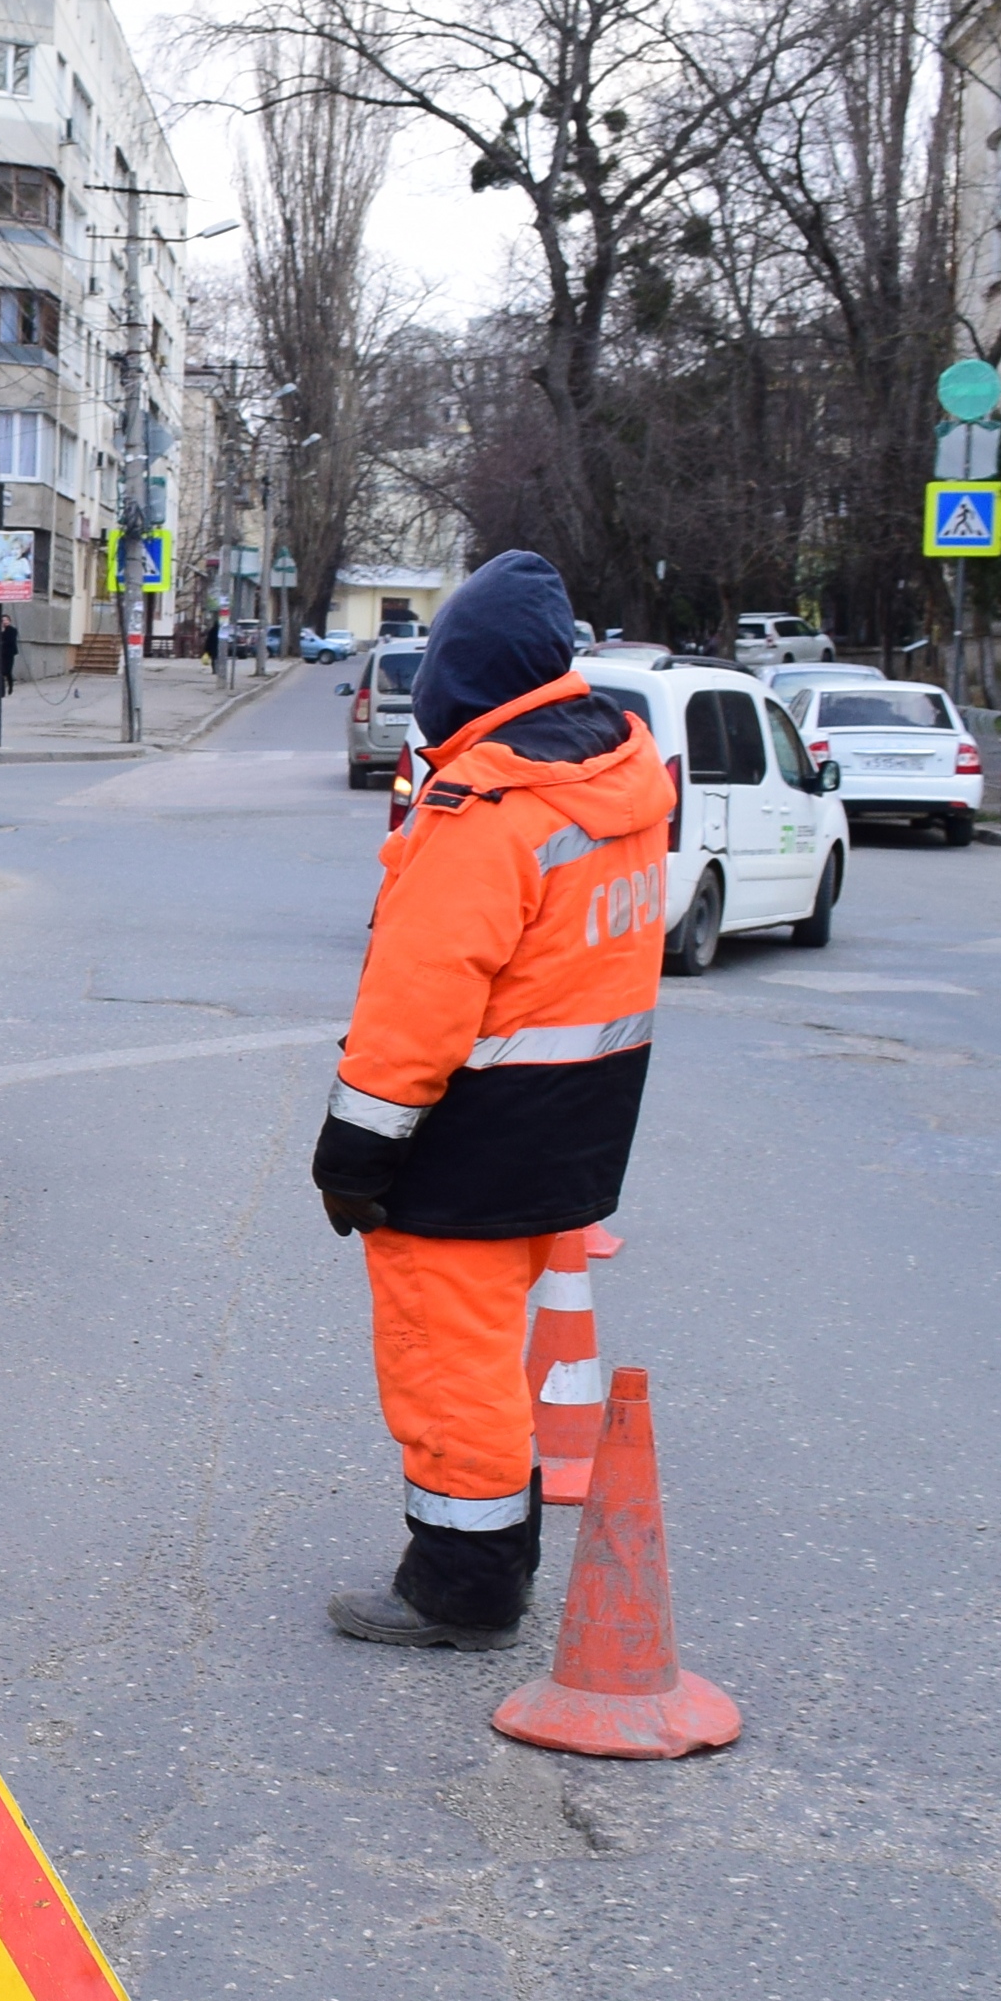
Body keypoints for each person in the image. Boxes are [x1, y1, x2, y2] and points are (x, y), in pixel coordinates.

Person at [312, 551, 671, 1649]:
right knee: (485, 1351)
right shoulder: (619, 776)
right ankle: (489, 1558)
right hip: (572, 1126)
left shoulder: (488, 809)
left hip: (465, 1138)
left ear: (460, 681)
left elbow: (417, 1005)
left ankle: (461, 1588)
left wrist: (354, 1150)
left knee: (445, 1360)